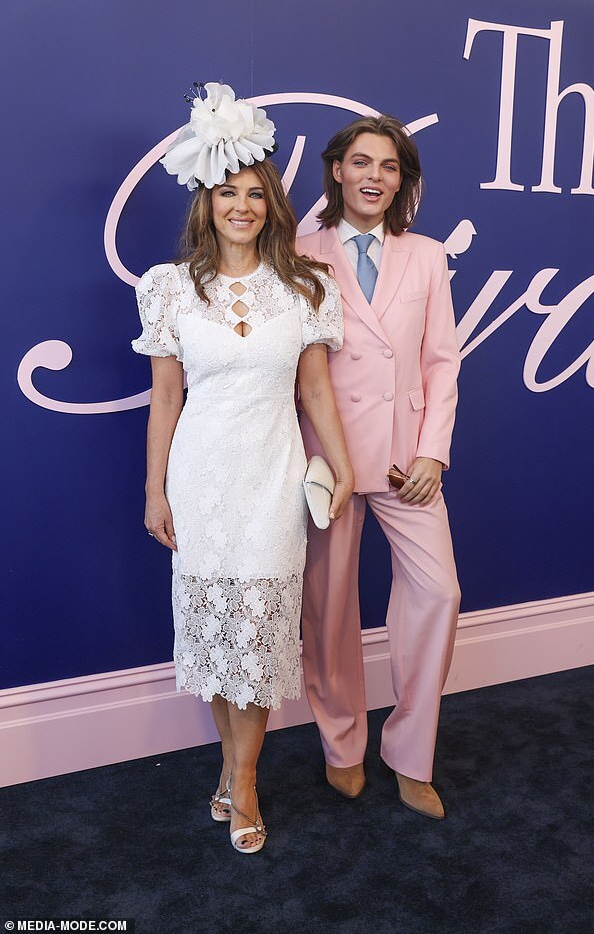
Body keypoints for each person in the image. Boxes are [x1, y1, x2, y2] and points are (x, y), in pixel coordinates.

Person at [132, 82, 354, 853]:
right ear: (206, 200)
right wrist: (155, 488)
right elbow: (165, 401)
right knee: (218, 640)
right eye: (228, 192)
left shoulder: (305, 286)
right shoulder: (169, 290)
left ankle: (245, 779)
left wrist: (342, 463)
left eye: (255, 194)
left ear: (272, 203)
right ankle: (232, 771)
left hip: (272, 480)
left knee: (258, 641)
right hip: (200, 481)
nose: (241, 206)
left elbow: (317, 387)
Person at [298, 115, 461, 818]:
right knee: (330, 611)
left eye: (389, 167)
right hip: (326, 458)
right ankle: (342, 745)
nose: (374, 176)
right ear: (337, 170)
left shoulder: (426, 254)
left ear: (402, 180)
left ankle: (410, 754)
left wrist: (432, 450)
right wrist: (313, 460)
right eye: (361, 162)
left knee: (440, 593)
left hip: (405, 460)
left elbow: (441, 360)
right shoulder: (298, 253)